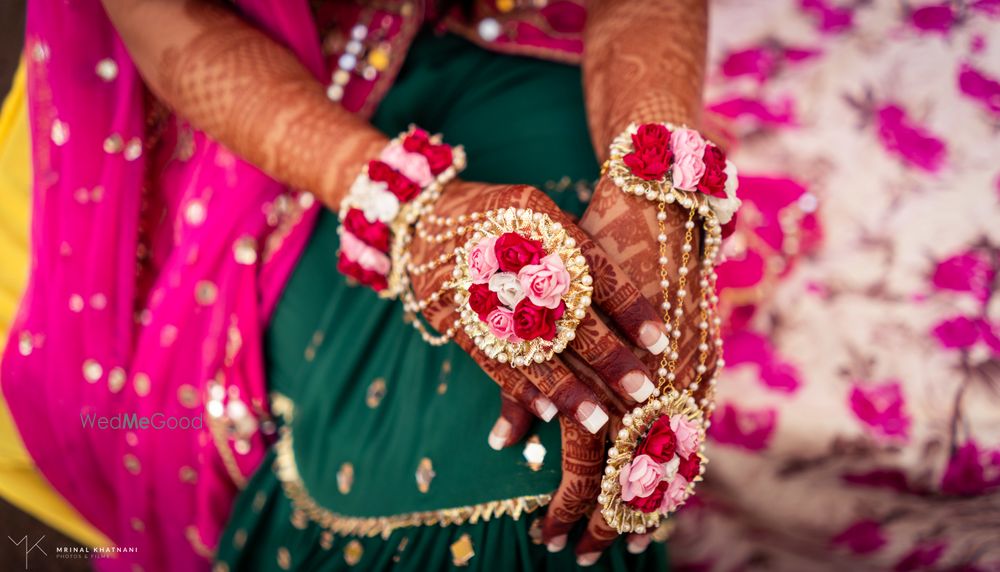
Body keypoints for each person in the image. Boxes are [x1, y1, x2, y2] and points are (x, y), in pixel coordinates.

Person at [2, 0, 710, 570]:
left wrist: (655, 183)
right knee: (500, 463)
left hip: (519, 36)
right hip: (278, 90)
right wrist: (408, 213)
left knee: (607, 391)